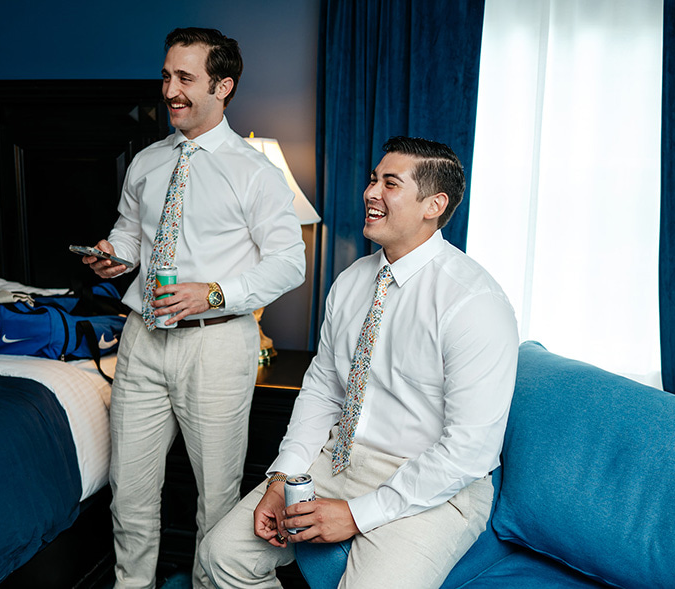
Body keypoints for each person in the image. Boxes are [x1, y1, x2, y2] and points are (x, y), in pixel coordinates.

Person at [197, 136, 520, 589]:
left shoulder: (474, 303)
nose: (370, 193)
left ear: (434, 204)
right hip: (337, 459)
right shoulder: (351, 281)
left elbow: (469, 451)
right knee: (221, 554)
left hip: (431, 483)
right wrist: (283, 475)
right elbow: (324, 390)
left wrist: (356, 514)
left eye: (390, 183)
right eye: (373, 179)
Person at [82, 27, 307, 588]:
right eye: (166, 76)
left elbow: (288, 264)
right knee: (129, 495)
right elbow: (130, 235)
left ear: (223, 86)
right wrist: (114, 257)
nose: (170, 90)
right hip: (141, 340)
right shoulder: (147, 162)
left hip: (217, 344)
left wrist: (213, 293)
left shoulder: (255, 172)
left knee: (218, 498)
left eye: (186, 78)